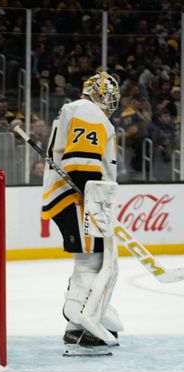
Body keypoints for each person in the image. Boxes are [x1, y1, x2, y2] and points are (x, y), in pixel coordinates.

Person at [41, 72, 122, 356]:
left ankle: (77, 325)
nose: (111, 103)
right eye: (109, 97)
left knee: (92, 261)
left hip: (78, 196)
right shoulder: (87, 110)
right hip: (79, 198)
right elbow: (82, 162)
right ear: (97, 93)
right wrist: (93, 199)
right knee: (92, 262)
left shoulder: (78, 110)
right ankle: (80, 321)